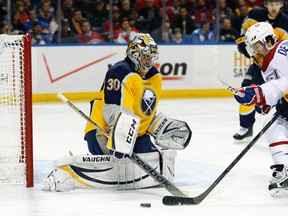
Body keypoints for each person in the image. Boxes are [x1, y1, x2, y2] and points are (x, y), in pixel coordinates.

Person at [43, 33, 192, 192]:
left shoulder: (155, 78)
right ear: (135, 54)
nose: (149, 62)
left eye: (151, 58)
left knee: (155, 161)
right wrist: (120, 137)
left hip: (136, 136)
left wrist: (158, 126)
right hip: (103, 133)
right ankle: (67, 174)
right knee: (124, 163)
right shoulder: (119, 71)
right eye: (146, 57)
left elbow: (143, 111)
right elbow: (113, 109)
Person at [234, 22, 288, 197]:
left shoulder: (281, 51)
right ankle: (285, 169)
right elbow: (278, 88)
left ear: (268, 40)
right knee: (272, 125)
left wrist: (259, 93)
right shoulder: (269, 61)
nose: (255, 51)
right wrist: (263, 101)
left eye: (257, 46)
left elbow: (281, 85)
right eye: (253, 48)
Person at [233, 0, 288, 144]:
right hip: (259, 65)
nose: (274, 7)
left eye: (277, 4)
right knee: (246, 90)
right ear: (266, 5)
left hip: (278, 66)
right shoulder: (255, 14)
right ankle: (245, 126)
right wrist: (250, 51)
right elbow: (242, 37)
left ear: (281, 6)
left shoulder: (285, 21)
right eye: (271, 4)